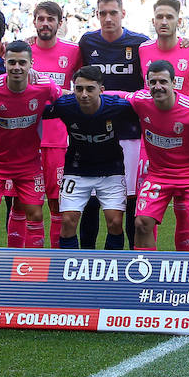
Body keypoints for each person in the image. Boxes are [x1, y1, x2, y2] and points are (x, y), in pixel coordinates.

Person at [0, 40, 63, 249]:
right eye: (12, 62)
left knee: (35, 214)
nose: (17, 67)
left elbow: (65, 101)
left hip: (29, 164)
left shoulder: (44, 86)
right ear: (4, 62)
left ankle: (30, 270)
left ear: (31, 64)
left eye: (22, 62)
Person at [77, 0, 148, 248]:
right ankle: (86, 261)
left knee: (129, 201)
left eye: (113, 13)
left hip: (130, 135)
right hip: (94, 135)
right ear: (97, 14)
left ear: (123, 14)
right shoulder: (87, 42)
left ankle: (128, 262)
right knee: (91, 202)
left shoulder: (141, 44)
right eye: (102, 13)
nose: (107, 18)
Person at [123, 62, 189, 252]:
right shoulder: (141, 101)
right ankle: (147, 277)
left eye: (163, 81)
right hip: (158, 175)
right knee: (141, 223)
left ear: (174, 83)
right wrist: (86, 95)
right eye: (153, 82)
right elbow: (116, 96)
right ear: (147, 84)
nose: (158, 86)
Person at [140, 0, 189, 251]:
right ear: (153, 20)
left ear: (179, 21)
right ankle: (149, 271)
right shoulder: (143, 49)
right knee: (147, 213)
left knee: (186, 212)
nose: (164, 22)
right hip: (152, 143)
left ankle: (185, 268)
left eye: (169, 17)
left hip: (185, 140)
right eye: (159, 17)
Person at [43, 67, 139, 250]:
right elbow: (36, 110)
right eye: (79, 89)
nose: (84, 94)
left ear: (101, 90)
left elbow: (148, 113)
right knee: (68, 222)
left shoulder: (118, 107)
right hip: (76, 169)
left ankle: (111, 269)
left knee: (115, 222)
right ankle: (70, 270)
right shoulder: (65, 105)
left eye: (90, 89)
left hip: (111, 169)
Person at [28, 1, 82, 249]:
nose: (45, 23)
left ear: (60, 23)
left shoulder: (73, 51)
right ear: (35, 22)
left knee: (57, 204)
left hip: (58, 140)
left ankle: (56, 264)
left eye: (51, 19)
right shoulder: (23, 52)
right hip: (25, 140)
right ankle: (28, 265)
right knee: (25, 204)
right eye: (41, 19)